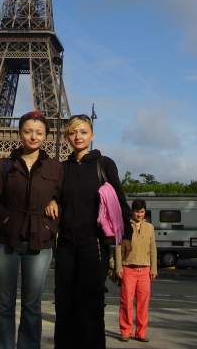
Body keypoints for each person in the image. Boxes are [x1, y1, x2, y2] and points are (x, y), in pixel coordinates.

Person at [0, 111, 63, 349]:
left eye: (39, 132)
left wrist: (53, 208)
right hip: (5, 240)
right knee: (4, 303)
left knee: (32, 305)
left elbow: (64, 198)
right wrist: (7, 221)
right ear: (19, 133)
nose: (33, 136)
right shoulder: (4, 165)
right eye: (28, 131)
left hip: (40, 240)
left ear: (46, 136)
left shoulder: (56, 168)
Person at [50, 114, 132, 349]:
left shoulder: (104, 164)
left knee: (92, 304)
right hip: (66, 244)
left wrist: (126, 235)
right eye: (73, 132)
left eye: (83, 132)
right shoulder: (62, 168)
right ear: (67, 136)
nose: (78, 136)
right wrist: (52, 200)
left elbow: (119, 200)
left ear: (92, 135)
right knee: (64, 304)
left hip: (94, 244)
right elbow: (55, 195)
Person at [115, 199, 157, 342]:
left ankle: (141, 333)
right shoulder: (125, 226)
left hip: (145, 270)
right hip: (128, 268)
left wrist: (153, 268)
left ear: (145, 212)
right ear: (132, 212)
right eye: (137, 211)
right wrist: (119, 266)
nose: (139, 214)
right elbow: (118, 246)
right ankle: (125, 331)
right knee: (126, 301)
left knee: (143, 303)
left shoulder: (150, 227)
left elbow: (153, 248)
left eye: (142, 212)